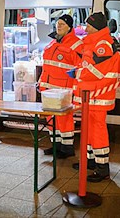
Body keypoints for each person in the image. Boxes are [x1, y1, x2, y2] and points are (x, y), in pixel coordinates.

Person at [69, 12, 120, 182]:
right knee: (89, 129)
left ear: (96, 27)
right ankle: (91, 161)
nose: (85, 28)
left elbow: (96, 71)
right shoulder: (93, 42)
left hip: (98, 95)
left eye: (89, 25)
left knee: (97, 131)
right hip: (91, 95)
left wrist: (77, 72)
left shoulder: (102, 44)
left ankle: (102, 168)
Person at [38, 14, 83, 158]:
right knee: (51, 118)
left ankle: (67, 147)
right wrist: (41, 83)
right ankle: (56, 145)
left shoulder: (76, 45)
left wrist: (76, 90)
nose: (59, 26)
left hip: (64, 90)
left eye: (62, 24)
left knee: (65, 119)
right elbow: (47, 66)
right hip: (49, 90)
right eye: (58, 23)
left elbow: (80, 70)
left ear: (70, 27)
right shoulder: (53, 42)